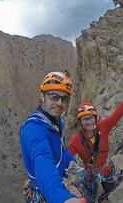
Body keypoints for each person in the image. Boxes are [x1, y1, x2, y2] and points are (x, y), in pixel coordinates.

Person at [67, 78, 123, 201]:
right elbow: (65, 156)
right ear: (80, 122)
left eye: (90, 118)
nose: (88, 122)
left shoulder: (104, 127)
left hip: (107, 172)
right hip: (91, 177)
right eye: (84, 119)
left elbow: (120, 111)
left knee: (111, 192)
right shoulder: (76, 140)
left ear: (95, 118)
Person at [19, 71, 81, 203]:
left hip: (59, 183)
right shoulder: (34, 129)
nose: (59, 103)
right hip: (48, 191)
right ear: (42, 96)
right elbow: (43, 162)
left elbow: (59, 149)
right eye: (54, 97)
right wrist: (62, 198)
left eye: (64, 99)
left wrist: (69, 160)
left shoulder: (54, 122)